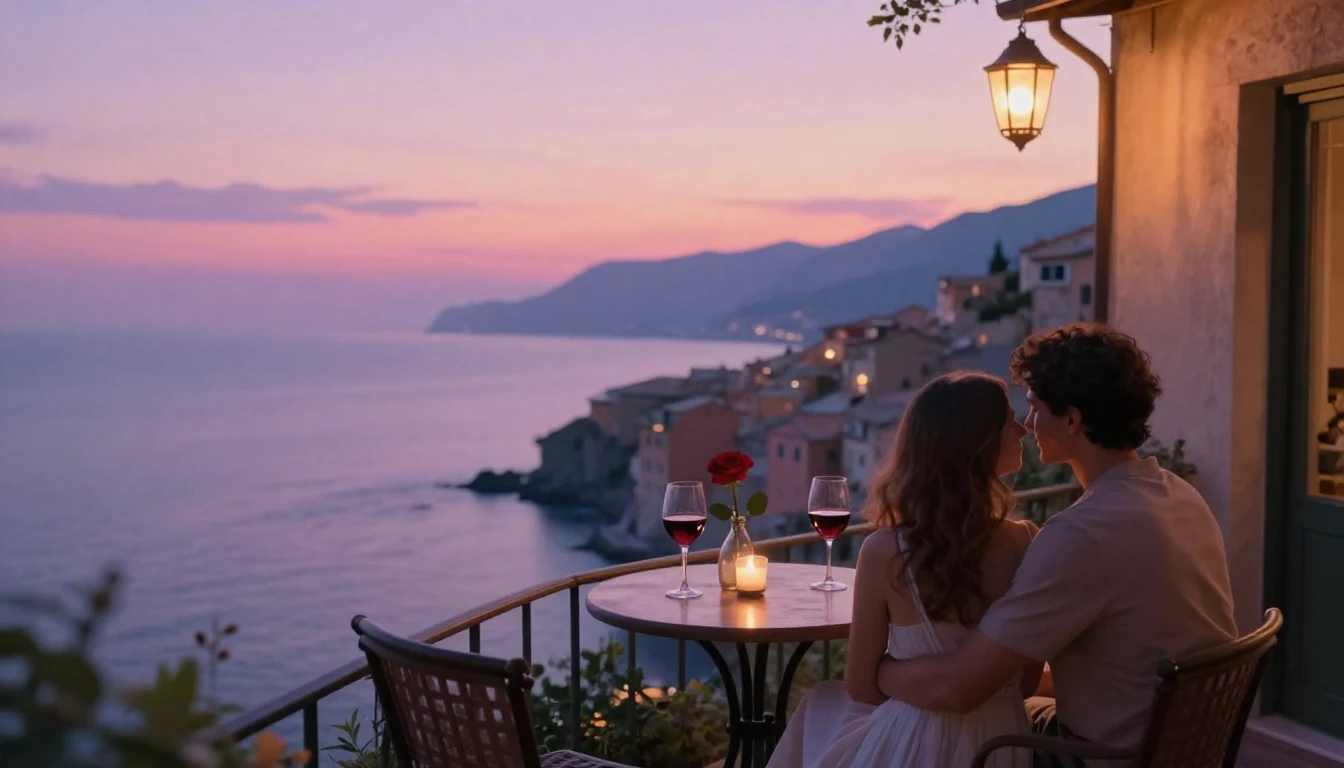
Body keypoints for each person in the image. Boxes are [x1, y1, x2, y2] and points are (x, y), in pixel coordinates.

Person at [874, 323, 1238, 767]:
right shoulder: (1179, 495)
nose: (1026, 425)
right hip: (1188, 746)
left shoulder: (1082, 535)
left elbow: (958, 688)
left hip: (1108, 756)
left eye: (1033, 407)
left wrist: (878, 671)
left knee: (954, 730)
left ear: (1071, 419)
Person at [767, 371, 1038, 768]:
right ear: (977, 444)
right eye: (1008, 423)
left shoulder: (883, 550)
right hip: (1002, 746)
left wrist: (896, 675)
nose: (1022, 431)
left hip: (914, 745)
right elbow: (1026, 684)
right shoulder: (1026, 542)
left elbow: (861, 686)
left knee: (820, 707)